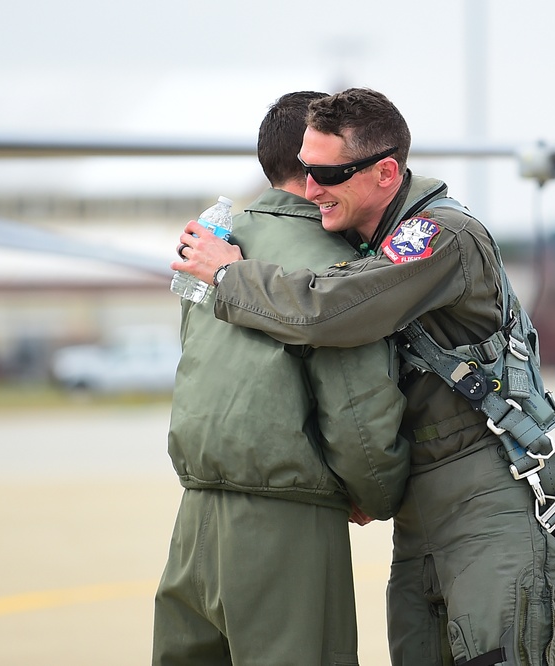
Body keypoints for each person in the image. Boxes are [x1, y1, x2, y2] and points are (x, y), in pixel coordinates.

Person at [172, 87, 555, 666]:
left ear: (384, 173)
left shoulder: (439, 235)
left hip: (484, 496)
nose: (309, 190)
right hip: (419, 509)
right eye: (305, 171)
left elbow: (333, 311)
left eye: (328, 175)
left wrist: (230, 276)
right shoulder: (363, 241)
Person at [153, 91, 409, 666]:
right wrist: (378, 493)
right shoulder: (334, 265)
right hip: (287, 524)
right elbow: (358, 414)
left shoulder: (210, 249)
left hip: (195, 517)